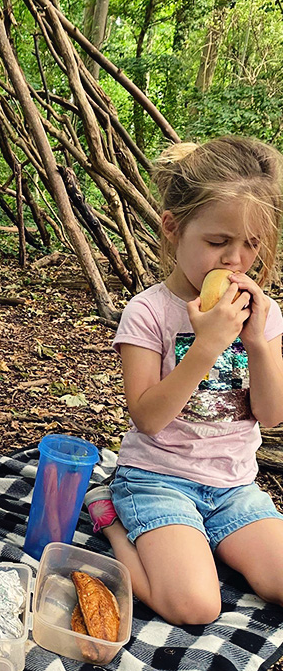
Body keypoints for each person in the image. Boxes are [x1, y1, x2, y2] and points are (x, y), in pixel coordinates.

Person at [83, 135, 283, 626]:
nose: (235, 261)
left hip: (234, 486)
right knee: (196, 606)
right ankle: (110, 519)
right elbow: (148, 417)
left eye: (251, 245)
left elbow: (273, 415)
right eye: (218, 242)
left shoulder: (262, 313)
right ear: (173, 229)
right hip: (157, 479)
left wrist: (256, 342)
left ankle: (201, 540)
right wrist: (205, 347)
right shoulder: (148, 312)